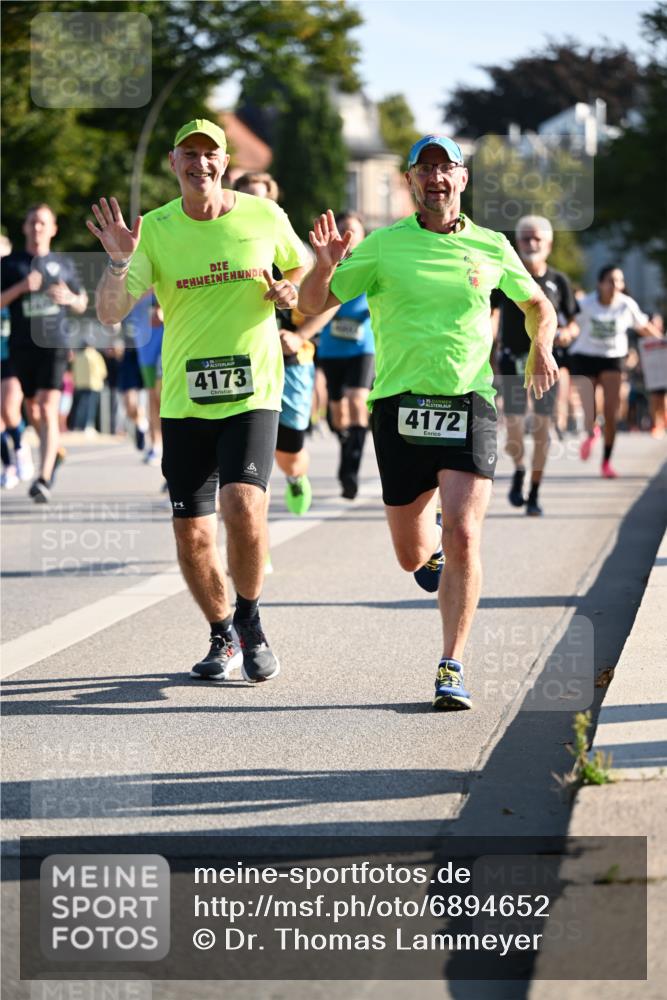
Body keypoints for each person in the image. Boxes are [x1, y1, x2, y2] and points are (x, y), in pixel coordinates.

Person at [299, 135, 558, 711]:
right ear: (411, 180)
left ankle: (452, 664)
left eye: (447, 168)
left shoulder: (491, 245)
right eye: (426, 169)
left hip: (470, 403)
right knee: (411, 556)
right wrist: (324, 265)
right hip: (400, 409)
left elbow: (538, 304)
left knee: (464, 533)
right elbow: (312, 305)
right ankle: (430, 554)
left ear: (463, 178)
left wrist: (542, 346)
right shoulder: (383, 246)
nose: (437, 178)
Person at [87, 118, 307, 682]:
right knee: (192, 534)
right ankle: (221, 631)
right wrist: (118, 262)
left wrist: (290, 289)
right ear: (173, 161)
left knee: (243, 503)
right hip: (185, 402)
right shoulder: (155, 229)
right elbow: (110, 312)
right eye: (190, 153)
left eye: (211, 154)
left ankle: (250, 619)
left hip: (253, 391)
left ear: (225, 163)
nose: (200, 163)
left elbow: (301, 266)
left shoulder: (264, 214)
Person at [232, 171, 316, 516]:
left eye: (261, 196)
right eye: (247, 196)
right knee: (248, 455)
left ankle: (296, 477)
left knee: (289, 451)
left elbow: (329, 303)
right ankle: (254, 530)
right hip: (244, 359)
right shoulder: (226, 243)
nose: (255, 203)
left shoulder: (295, 250)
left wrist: (299, 335)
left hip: (291, 360)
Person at [491, 215, 578, 516]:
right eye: (526, 238)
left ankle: (535, 492)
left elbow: (574, 322)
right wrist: (487, 348)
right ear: (517, 243)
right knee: (514, 426)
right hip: (512, 359)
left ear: (548, 244)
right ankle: (519, 470)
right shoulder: (505, 275)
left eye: (537, 238)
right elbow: (491, 315)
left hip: (544, 362)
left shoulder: (558, 281)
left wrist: (567, 333)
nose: (531, 243)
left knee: (542, 427)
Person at [0, 204, 88, 502]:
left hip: (54, 344)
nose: (37, 228)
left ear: (53, 229)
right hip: (21, 346)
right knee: (32, 409)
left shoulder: (63, 264)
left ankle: (44, 477)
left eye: (43, 223)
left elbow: (82, 303)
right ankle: (55, 453)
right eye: (33, 222)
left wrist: (70, 298)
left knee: (48, 407)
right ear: (25, 227)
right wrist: (22, 288)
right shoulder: (10, 264)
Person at [569, 265, 662, 477]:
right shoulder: (585, 304)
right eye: (610, 281)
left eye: (619, 281)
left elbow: (643, 327)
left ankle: (606, 463)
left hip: (613, 358)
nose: (615, 285)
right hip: (584, 356)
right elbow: (570, 324)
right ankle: (592, 432)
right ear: (600, 284)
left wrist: (661, 342)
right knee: (590, 411)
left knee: (611, 413)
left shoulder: (626, 305)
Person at [317, 212, 375, 500]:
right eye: (343, 230)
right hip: (331, 347)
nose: (348, 236)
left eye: (354, 231)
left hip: (363, 346)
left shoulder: (373, 261)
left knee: (357, 400)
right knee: (337, 412)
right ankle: (345, 441)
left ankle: (350, 470)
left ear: (364, 236)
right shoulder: (327, 263)